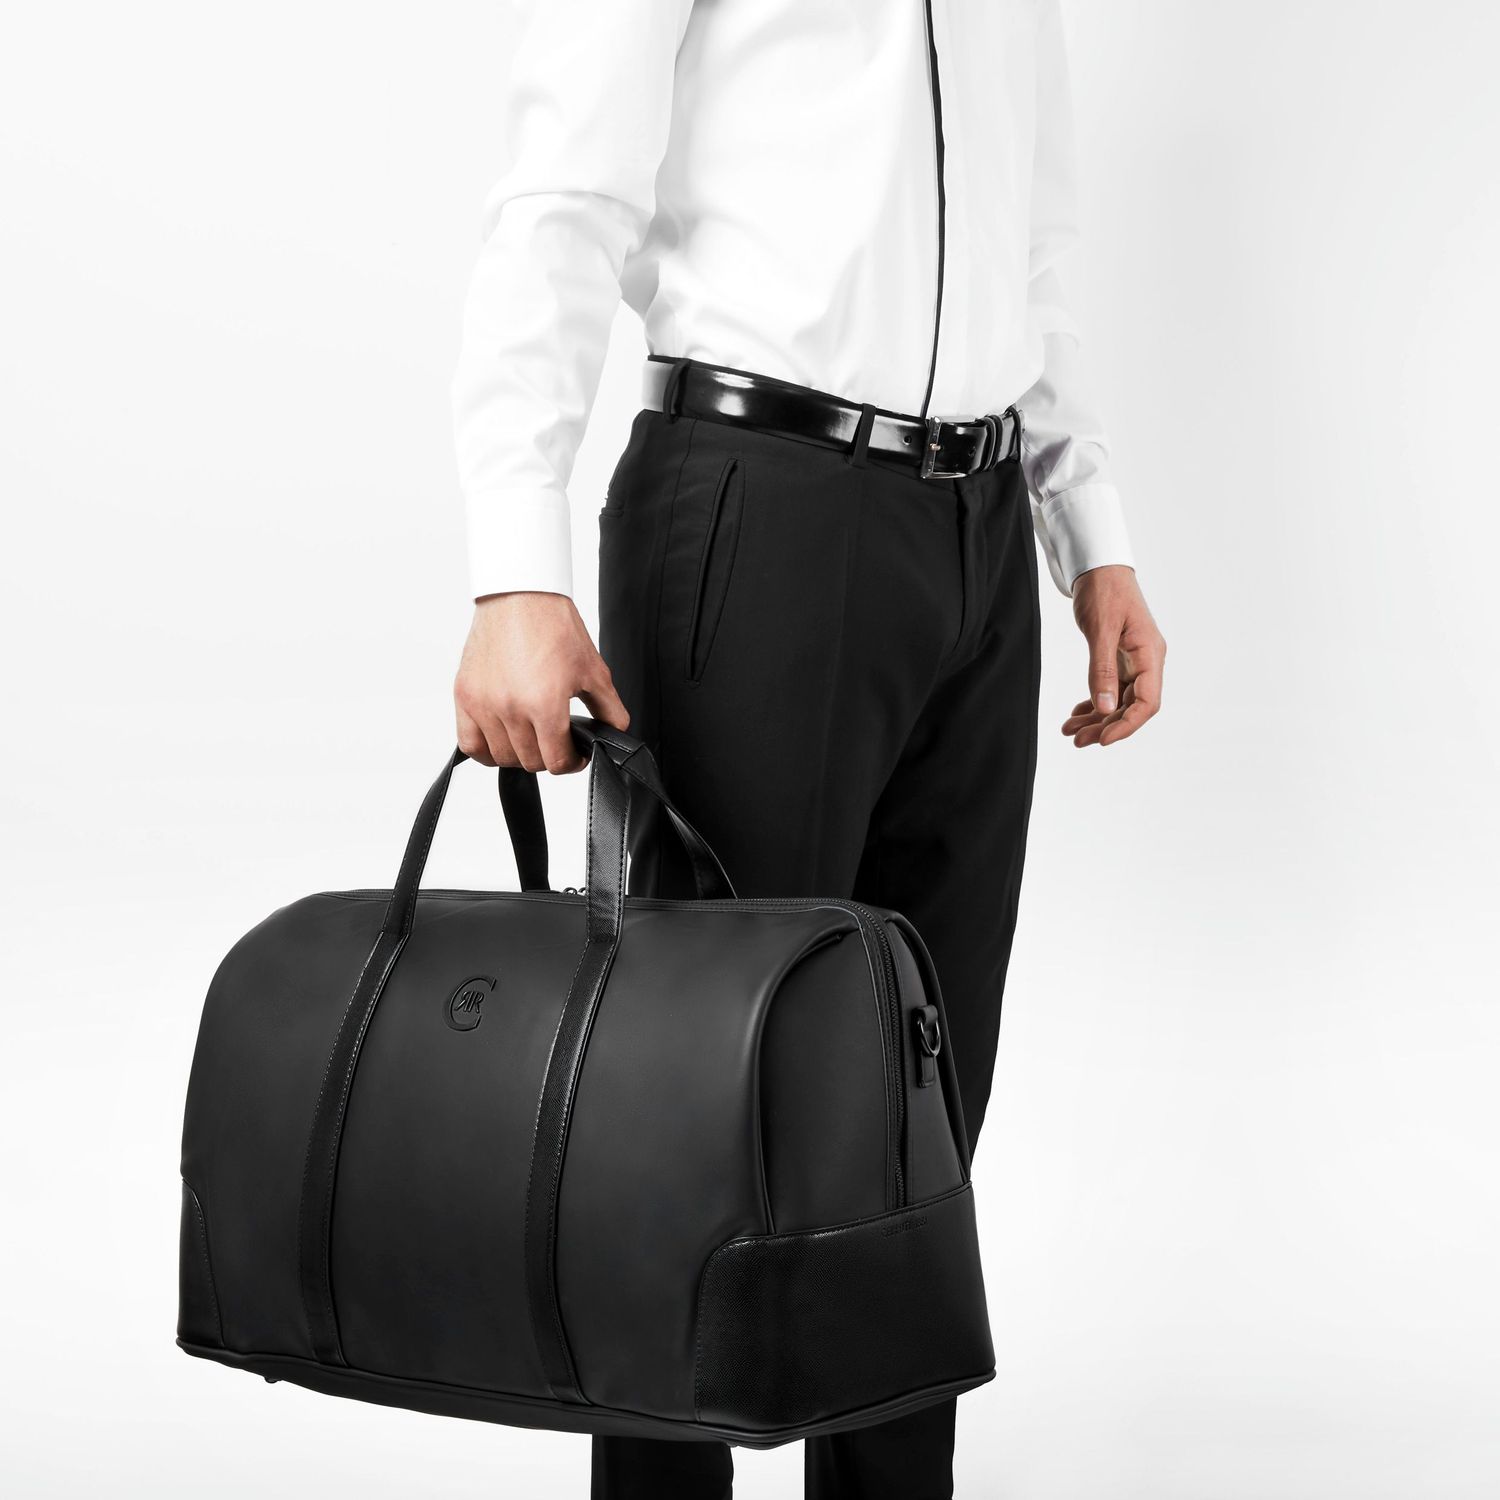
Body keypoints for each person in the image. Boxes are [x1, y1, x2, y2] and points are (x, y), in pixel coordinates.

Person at [450, 3, 1165, 1496]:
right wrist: (516, 567)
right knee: (687, 1110)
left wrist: (1087, 527)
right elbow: (562, 190)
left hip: (978, 537)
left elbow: (1031, 247)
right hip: (757, 499)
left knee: (917, 1115)